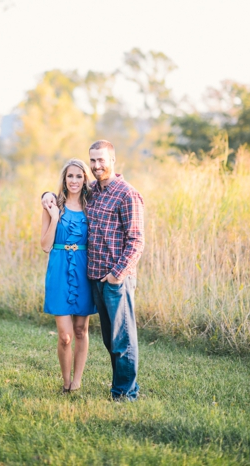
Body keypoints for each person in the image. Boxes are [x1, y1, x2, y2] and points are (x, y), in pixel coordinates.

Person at [86, 139, 145, 401]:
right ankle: (123, 387)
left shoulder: (127, 194)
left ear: (112, 161)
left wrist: (115, 275)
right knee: (110, 340)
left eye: (101, 160)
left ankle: (124, 394)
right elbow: (68, 188)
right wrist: (47, 197)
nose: (96, 166)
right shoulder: (93, 191)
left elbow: (136, 241)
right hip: (95, 276)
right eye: (93, 160)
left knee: (123, 339)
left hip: (116, 279)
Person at [40, 159, 97, 393]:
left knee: (81, 330)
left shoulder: (92, 205)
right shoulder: (52, 205)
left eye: (79, 176)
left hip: (84, 270)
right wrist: (54, 217)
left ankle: (77, 382)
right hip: (59, 269)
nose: (74, 180)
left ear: (85, 180)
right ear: (64, 179)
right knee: (65, 335)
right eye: (70, 176)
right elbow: (45, 245)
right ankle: (65, 382)